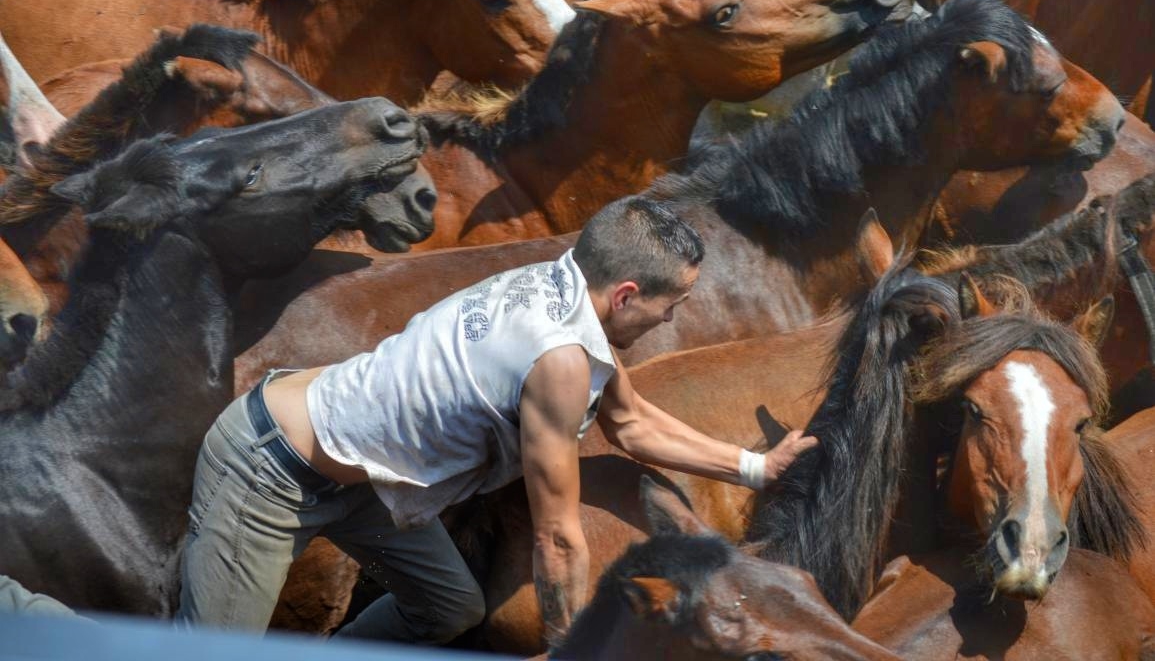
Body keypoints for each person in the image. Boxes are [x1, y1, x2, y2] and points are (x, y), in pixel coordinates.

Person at [175, 196, 817, 645]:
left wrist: (756, 467)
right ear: (625, 295)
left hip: (359, 481)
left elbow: (630, 423)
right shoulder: (560, 358)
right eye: (670, 304)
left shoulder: (565, 289)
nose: (671, 320)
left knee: (449, 608)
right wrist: (571, 648)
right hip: (270, 470)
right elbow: (557, 539)